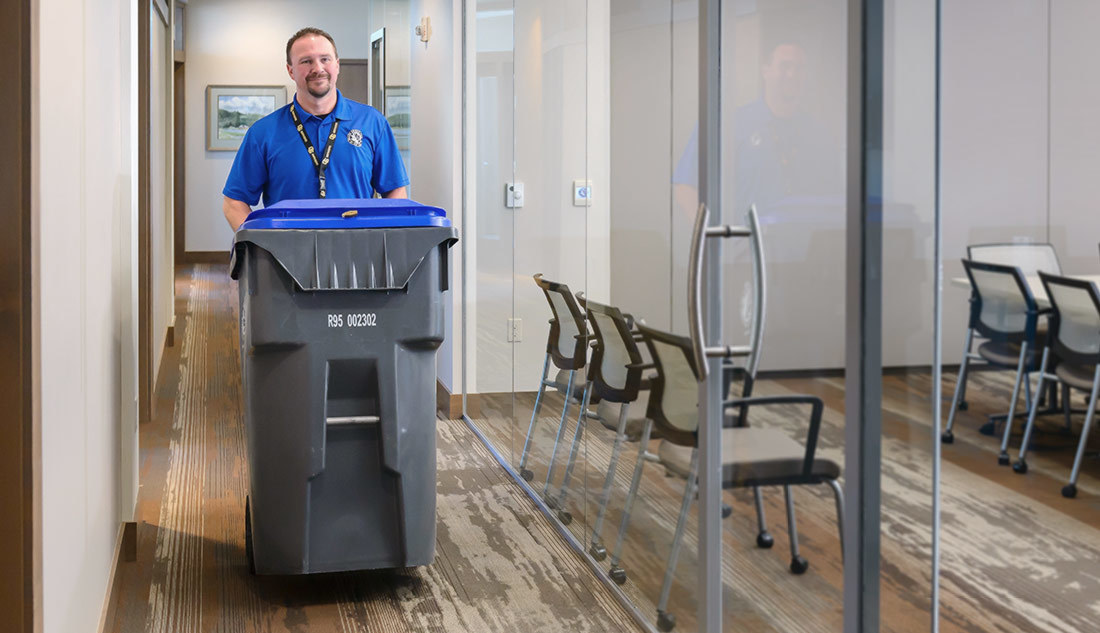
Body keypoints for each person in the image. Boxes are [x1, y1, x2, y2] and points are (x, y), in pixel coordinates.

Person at [222, 27, 409, 230]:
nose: (317, 68)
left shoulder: (372, 123)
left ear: (337, 65)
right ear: (290, 70)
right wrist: (262, 246)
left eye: (325, 59)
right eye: (306, 61)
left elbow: (395, 193)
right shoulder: (263, 133)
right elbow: (233, 203)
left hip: (357, 253)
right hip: (286, 255)